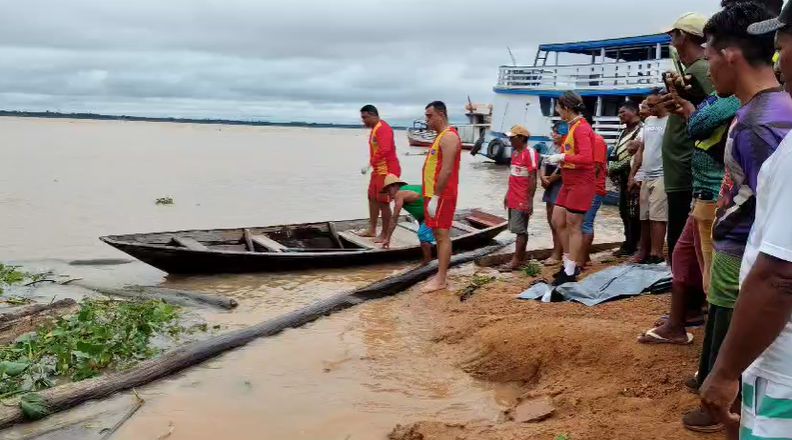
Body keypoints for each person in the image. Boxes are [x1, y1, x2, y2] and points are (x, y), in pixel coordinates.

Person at [675, 4, 792, 433]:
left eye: (708, 54)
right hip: (753, 255)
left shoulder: (759, 124)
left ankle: (726, 409)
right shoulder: (767, 111)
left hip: (752, 257)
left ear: (730, 56)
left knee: (738, 339)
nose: (707, 64)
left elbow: (775, 222)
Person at [662, 13, 715, 265]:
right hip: (679, 168)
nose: (671, 40)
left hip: (687, 167)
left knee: (684, 239)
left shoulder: (702, 70)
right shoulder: (694, 70)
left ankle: (689, 298)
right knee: (680, 236)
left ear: (684, 36)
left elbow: (712, 114)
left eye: (673, 34)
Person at [545, 91, 595, 285]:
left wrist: (562, 157)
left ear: (566, 107)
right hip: (569, 182)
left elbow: (586, 158)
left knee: (574, 225)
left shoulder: (581, 128)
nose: (558, 111)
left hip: (581, 183)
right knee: (558, 220)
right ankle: (568, 261)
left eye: (559, 108)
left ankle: (571, 269)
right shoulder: (572, 126)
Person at [421, 101, 462, 293]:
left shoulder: (449, 137)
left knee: (442, 234)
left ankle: (441, 279)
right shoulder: (439, 137)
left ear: (441, 115)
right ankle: (440, 274)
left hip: (443, 195)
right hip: (432, 194)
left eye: (429, 116)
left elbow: (446, 170)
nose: (427, 120)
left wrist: (437, 197)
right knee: (437, 234)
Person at [630, 93, 669, 264]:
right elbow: (641, 149)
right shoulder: (649, 122)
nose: (650, 109)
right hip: (646, 173)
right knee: (644, 216)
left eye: (653, 105)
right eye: (648, 105)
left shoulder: (671, 121)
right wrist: (633, 174)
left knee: (658, 216)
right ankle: (643, 251)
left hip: (662, 174)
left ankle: (657, 253)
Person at [501, 125, 540, 271]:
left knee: (520, 230)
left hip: (522, 198)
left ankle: (516, 261)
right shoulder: (515, 153)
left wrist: (530, 201)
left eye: (512, 137)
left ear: (521, 138)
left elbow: (533, 178)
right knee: (519, 229)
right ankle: (520, 258)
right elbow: (513, 176)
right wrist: (507, 194)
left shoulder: (529, 153)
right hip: (513, 196)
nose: (510, 140)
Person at [360, 105, 401, 242]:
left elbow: (384, 149)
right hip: (378, 170)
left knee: (384, 203)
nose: (363, 121)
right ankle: (372, 229)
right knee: (372, 197)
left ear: (373, 115)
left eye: (365, 117)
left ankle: (384, 234)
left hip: (388, 171)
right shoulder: (374, 129)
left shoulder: (384, 128)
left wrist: (369, 163)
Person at [609, 101, 643, 257]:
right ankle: (628, 242)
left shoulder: (640, 130)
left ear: (634, 111)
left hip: (634, 175)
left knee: (633, 212)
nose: (620, 115)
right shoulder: (623, 132)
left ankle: (634, 244)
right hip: (622, 176)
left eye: (623, 112)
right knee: (624, 211)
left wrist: (613, 168)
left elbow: (634, 156)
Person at [379, 174, 435, 265]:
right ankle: (432, 253)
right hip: (430, 211)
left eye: (389, 191)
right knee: (426, 235)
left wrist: (387, 238)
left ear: (395, 186)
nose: (389, 194)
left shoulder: (399, 194)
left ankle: (427, 263)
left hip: (432, 212)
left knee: (422, 234)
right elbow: (420, 201)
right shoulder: (410, 188)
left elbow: (394, 218)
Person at [541, 122, 567, 266]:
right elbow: (543, 163)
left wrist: (550, 179)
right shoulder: (551, 146)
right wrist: (543, 177)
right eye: (553, 132)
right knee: (550, 219)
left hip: (560, 185)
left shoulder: (566, 147)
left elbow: (564, 169)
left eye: (557, 133)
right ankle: (556, 249)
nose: (554, 135)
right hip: (549, 185)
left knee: (558, 221)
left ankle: (558, 253)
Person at [580, 132, 607, 267]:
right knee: (581, 223)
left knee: (586, 223)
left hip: (593, 188)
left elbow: (595, 168)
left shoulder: (597, 141)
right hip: (584, 188)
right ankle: (584, 257)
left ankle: (582, 260)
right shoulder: (587, 141)